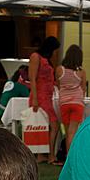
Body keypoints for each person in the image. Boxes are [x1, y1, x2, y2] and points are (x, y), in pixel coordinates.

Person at [29, 36, 62, 165]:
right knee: (53, 124)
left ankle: (42, 155)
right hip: (40, 96)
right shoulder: (36, 57)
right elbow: (32, 78)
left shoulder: (46, 60)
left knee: (44, 125)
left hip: (47, 96)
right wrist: (35, 98)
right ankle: (50, 155)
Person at [55, 44, 87, 151]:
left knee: (67, 131)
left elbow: (58, 85)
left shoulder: (59, 70)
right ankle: (71, 158)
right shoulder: (81, 72)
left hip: (64, 103)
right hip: (77, 103)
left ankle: (67, 158)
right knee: (72, 132)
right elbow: (83, 89)